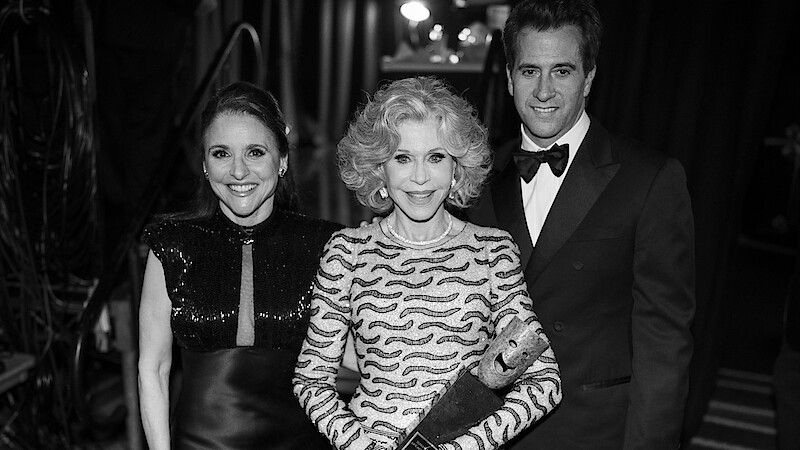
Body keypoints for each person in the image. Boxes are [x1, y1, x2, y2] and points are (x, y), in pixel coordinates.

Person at [466, 0, 696, 448]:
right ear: (510, 77)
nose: (544, 91)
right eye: (530, 70)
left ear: (589, 78)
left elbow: (664, 342)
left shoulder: (648, 178)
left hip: (593, 431)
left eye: (563, 71)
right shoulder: (477, 181)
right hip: (491, 433)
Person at [292, 76, 562, 450]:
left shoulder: (492, 251)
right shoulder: (346, 252)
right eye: (403, 158)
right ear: (379, 169)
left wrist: (465, 447)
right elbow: (311, 380)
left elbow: (544, 383)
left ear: (456, 168)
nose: (420, 177)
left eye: (435, 157)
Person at [137, 81, 342, 449]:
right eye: (221, 153)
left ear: (281, 160)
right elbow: (153, 369)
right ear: (204, 163)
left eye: (255, 152)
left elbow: (365, 357)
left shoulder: (326, 245)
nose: (238, 171)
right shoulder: (172, 245)